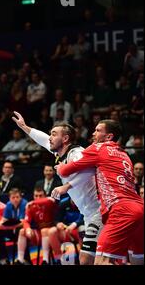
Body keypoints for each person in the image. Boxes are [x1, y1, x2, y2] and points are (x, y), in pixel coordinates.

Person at [12, 111, 102, 265]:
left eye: (54, 134)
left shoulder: (76, 153)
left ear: (65, 138)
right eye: (51, 134)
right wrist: (25, 127)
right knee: (97, 258)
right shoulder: (60, 153)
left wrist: (66, 186)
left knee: (88, 259)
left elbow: (90, 170)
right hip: (88, 213)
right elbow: (42, 140)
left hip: (98, 211)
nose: (50, 138)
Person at [56, 120, 144, 265]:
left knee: (101, 261)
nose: (93, 133)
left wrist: (60, 167)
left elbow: (67, 170)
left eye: (97, 130)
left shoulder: (97, 148)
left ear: (109, 136)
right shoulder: (124, 154)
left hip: (121, 209)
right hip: (140, 208)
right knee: (138, 260)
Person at [14, 187, 57, 265]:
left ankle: (45, 260)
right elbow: (26, 221)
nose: (38, 198)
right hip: (39, 232)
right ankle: (20, 260)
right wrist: (28, 229)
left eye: (40, 195)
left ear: (45, 195)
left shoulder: (50, 201)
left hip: (52, 232)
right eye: (36, 196)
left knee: (44, 231)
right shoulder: (31, 206)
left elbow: (51, 200)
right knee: (22, 231)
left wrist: (34, 202)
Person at [0, 188, 27, 264]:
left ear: (20, 197)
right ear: (10, 198)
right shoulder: (8, 205)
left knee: (20, 229)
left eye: (17, 197)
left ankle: (23, 259)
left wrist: (8, 226)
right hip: (12, 229)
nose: (15, 200)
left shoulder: (24, 204)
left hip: (22, 231)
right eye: (13, 198)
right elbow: (4, 220)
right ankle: (4, 258)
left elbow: (23, 222)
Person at [48, 197, 83, 265]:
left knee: (82, 230)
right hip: (66, 230)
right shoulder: (63, 203)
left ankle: (84, 260)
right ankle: (59, 260)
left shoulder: (85, 201)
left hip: (80, 228)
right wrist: (58, 223)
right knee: (52, 231)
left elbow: (87, 217)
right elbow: (56, 219)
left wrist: (75, 224)